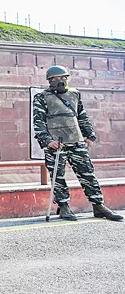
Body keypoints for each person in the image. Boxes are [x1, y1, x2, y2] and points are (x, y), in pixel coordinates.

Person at [33, 65, 122, 221]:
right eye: (55, 79)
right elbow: (38, 122)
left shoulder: (75, 94)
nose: (60, 81)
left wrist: (90, 135)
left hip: (76, 140)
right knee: (57, 177)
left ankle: (98, 205)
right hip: (56, 144)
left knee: (88, 174)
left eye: (63, 78)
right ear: (49, 81)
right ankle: (64, 207)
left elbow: (81, 116)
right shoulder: (41, 97)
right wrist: (47, 141)